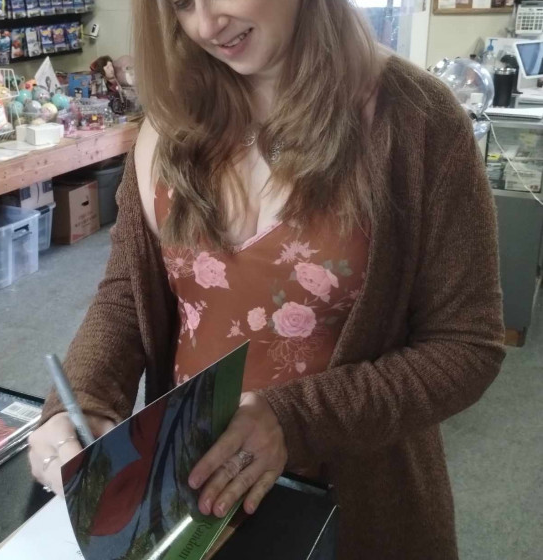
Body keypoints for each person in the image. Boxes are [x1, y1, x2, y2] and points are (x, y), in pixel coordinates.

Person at [28, 0, 505, 557]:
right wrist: (82, 400)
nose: (206, 24)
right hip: (192, 493)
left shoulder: (418, 120)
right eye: (181, 3)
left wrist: (293, 418)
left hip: (353, 503)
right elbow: (126, 295)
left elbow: (466, 345)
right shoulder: (169, 121)